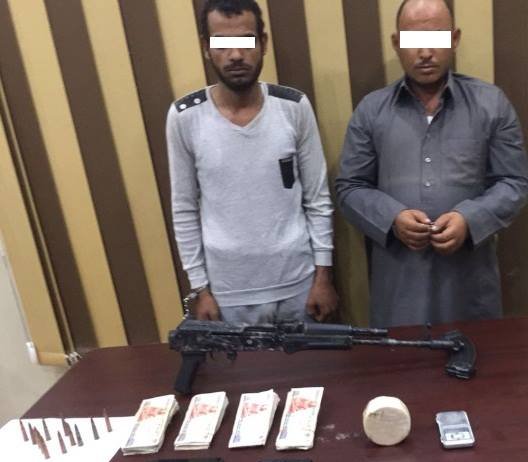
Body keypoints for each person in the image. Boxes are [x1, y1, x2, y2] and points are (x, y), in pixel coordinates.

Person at [335, 0, 528, 327]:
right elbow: (349, 187)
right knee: (401, 359)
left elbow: (514, 182)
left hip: (469, 290)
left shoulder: (491, 104)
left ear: (454, 38)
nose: (425, 52)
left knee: (475, 356)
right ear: (396, 43)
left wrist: (469, 219)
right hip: (399, 293)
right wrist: (392, 218)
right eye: (413, 40)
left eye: (436, 38)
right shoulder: (371, 111)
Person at [167, 0, 338, 324]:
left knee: (313, 361)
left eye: (246, 41)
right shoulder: (185, 117)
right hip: (227, 295)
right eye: (222, 44)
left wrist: (323, 277)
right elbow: (184, 209)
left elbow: (317, 199)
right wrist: (199, 288)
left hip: (300, 287)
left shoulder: (293, 107)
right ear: (206, 48)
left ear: (263, 43)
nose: (235, 55)